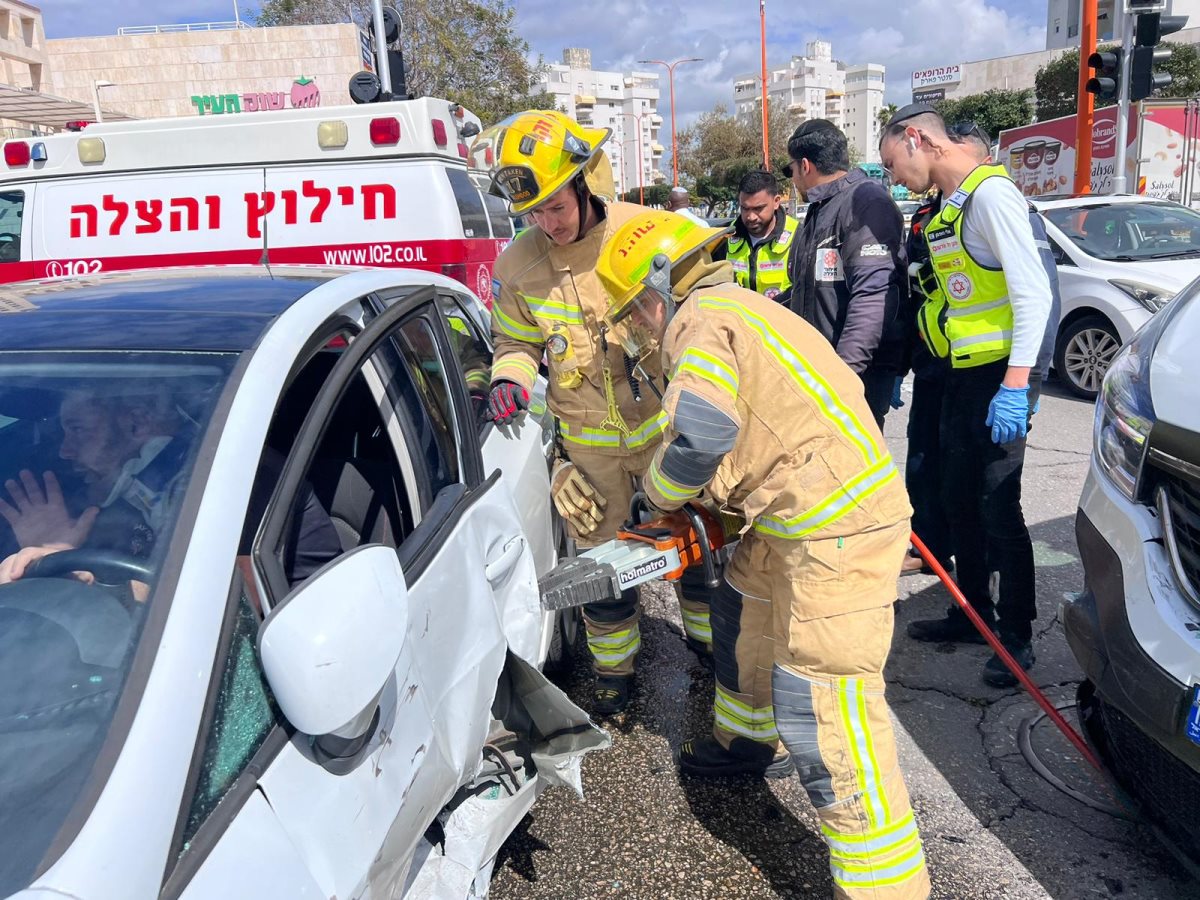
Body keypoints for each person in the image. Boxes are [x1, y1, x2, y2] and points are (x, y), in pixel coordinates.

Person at [598, 210, 930, 898]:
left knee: (826, 704)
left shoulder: (697, 323)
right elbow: (745, 431)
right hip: (796, 518)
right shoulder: (740, 306)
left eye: (635, 314)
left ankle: (882, 884)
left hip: (834, 530)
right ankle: (744, 742)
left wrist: (658, 498)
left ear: (659, 290)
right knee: (743, 611)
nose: (639, 330)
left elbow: (702, 433)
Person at [473, 109, 716, 714]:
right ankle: (615, 677)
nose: (547, 223)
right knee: (604, 572)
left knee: (696, 551)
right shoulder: (517, 268)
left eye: (557, 206)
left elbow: (707, 315)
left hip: (665, 434)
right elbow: (515, 343)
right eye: (534, 213)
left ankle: (712, 656)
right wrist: (509, 378)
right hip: (588, 451)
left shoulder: (647, 235)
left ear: (586, 184)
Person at [880, 105, 1059, 687]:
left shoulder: (992, 196)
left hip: (998, 379)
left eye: (892, 163)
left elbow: (1033, 295)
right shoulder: (950, 210)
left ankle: (1016, 636)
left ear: (918, 139)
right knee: (956, 499)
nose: (894, 178)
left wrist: (1016, 386)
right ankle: (972, 613)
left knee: (997, 505)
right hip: (959, 375)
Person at [0, 386, 342, 587]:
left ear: (137, 423)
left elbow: (229, 610)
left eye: (77, 430)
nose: (64, 450)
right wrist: (61, 552)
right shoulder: (140, 488)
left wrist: (79, 573)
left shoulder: (231, 475)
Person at [782, 119, 907, 427]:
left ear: (806, 165)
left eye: (792, 170)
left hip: (853, 377)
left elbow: (873, 296)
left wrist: (843, 376)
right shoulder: (820, 210)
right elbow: (805, 290)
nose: (793, 180)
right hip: (823, 372)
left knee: (849, 471)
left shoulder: (864, 202)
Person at [720, 169, 798, 301]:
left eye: (758, 208)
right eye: (745, 208)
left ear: (776, 202)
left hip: (781, 320)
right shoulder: (724, 237)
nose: (751, 217)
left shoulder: (799, 236)